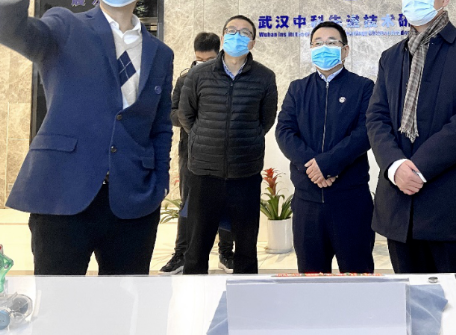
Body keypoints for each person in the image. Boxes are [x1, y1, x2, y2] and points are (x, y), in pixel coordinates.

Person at [0, 0, 173, 275]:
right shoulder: (65, 25)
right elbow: (9, 30)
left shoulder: (160, 53)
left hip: (133, 198)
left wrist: (159, 184)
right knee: (57, 300)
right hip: (63, 191)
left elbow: (159, 125)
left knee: (127, 300)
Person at [366, 0, 456, 275]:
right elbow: (376, 117)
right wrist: (395, 166)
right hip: (400, 205)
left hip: (452, 207)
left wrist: (419, 168)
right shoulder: (391, 57)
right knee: (410, 299)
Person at [178, 16, 277, 274]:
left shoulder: (265, 77)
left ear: (252, 43)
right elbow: (186, 115)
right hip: (203, 173)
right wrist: (204, 137)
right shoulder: (198, 74)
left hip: (245, 174)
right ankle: (195, 297)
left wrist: (246, 138)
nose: (237, 35)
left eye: (245, 32)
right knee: (196, 249)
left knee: (246, 249)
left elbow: (266, 120)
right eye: (232, 30)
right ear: (223, 37)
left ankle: (246, 297)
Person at [275, 21, 375, 274]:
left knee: (358, 277)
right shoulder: (298, 89)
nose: (324, 47)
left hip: (350, 200)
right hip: (307, 201)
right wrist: (314, 167)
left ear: (345, 50)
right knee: (310, 279)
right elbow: (284, 131)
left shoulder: (364, 87)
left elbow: (366, 132)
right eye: (318, 43)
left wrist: (328, 165)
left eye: (332, 42)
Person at [159, 32, 236, 274]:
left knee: (226, 201)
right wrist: (196, 121)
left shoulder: (230, 79)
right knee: (189, 203)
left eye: (208, 60)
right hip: (191, 152)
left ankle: (226, 254)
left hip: (224, 152)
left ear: (219, 54)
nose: (203, 64)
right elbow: (171, 113)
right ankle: (181, 254)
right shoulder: (185, 80)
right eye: (199, 60)